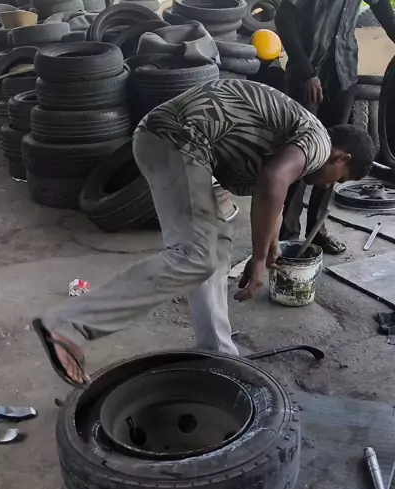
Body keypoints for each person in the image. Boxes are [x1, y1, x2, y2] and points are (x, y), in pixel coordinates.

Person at [35, 78, 375, 384]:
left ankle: (218, 354)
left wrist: (270, 247)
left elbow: (273, 193)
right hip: (179, 139)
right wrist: (258, 258)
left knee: (216, 247)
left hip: (185, 144)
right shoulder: (318, 145)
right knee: (194, 255)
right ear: (341, 158)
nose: (329, 186)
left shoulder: (302, 135)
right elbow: (274, 179)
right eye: (340, 179)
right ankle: (69, 324)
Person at [276, 0, 395, 254]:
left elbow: (380, 4)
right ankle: (287, 231)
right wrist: (305, 69)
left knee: (335, 152)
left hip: (344, 71)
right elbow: (284, 17)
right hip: (308, 73)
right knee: (303, 151)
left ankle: (317, 228)